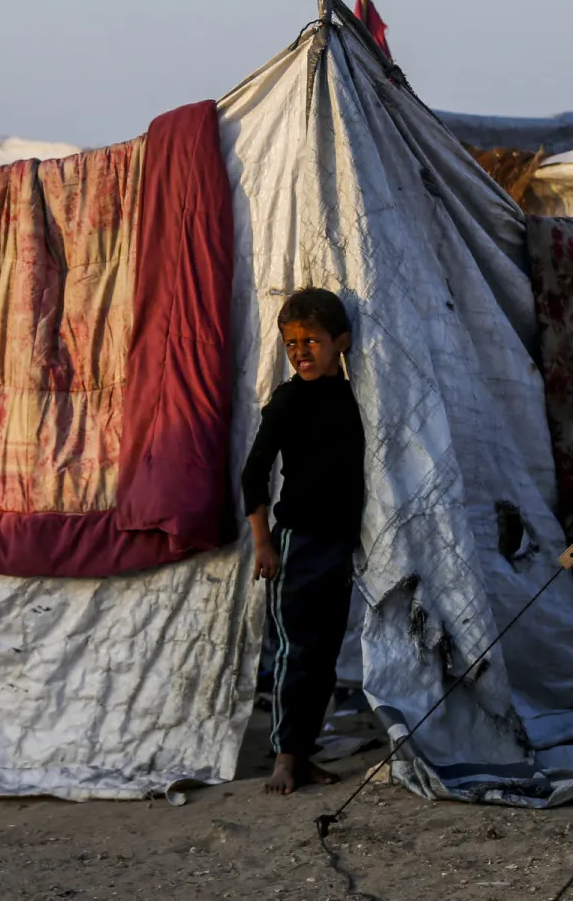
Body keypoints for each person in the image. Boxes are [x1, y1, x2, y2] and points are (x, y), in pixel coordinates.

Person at [241, 287, 366, 796]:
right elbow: (253, 475)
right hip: (296, 544)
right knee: (295, 652)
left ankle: (305, 749)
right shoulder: (289, 401)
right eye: (291, 344)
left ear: (341, 342)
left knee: (324, 654)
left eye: (311, 341)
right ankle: (285, 757)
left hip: (338, 544)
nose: (300, 352)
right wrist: (263, 543)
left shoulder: (356, 399)